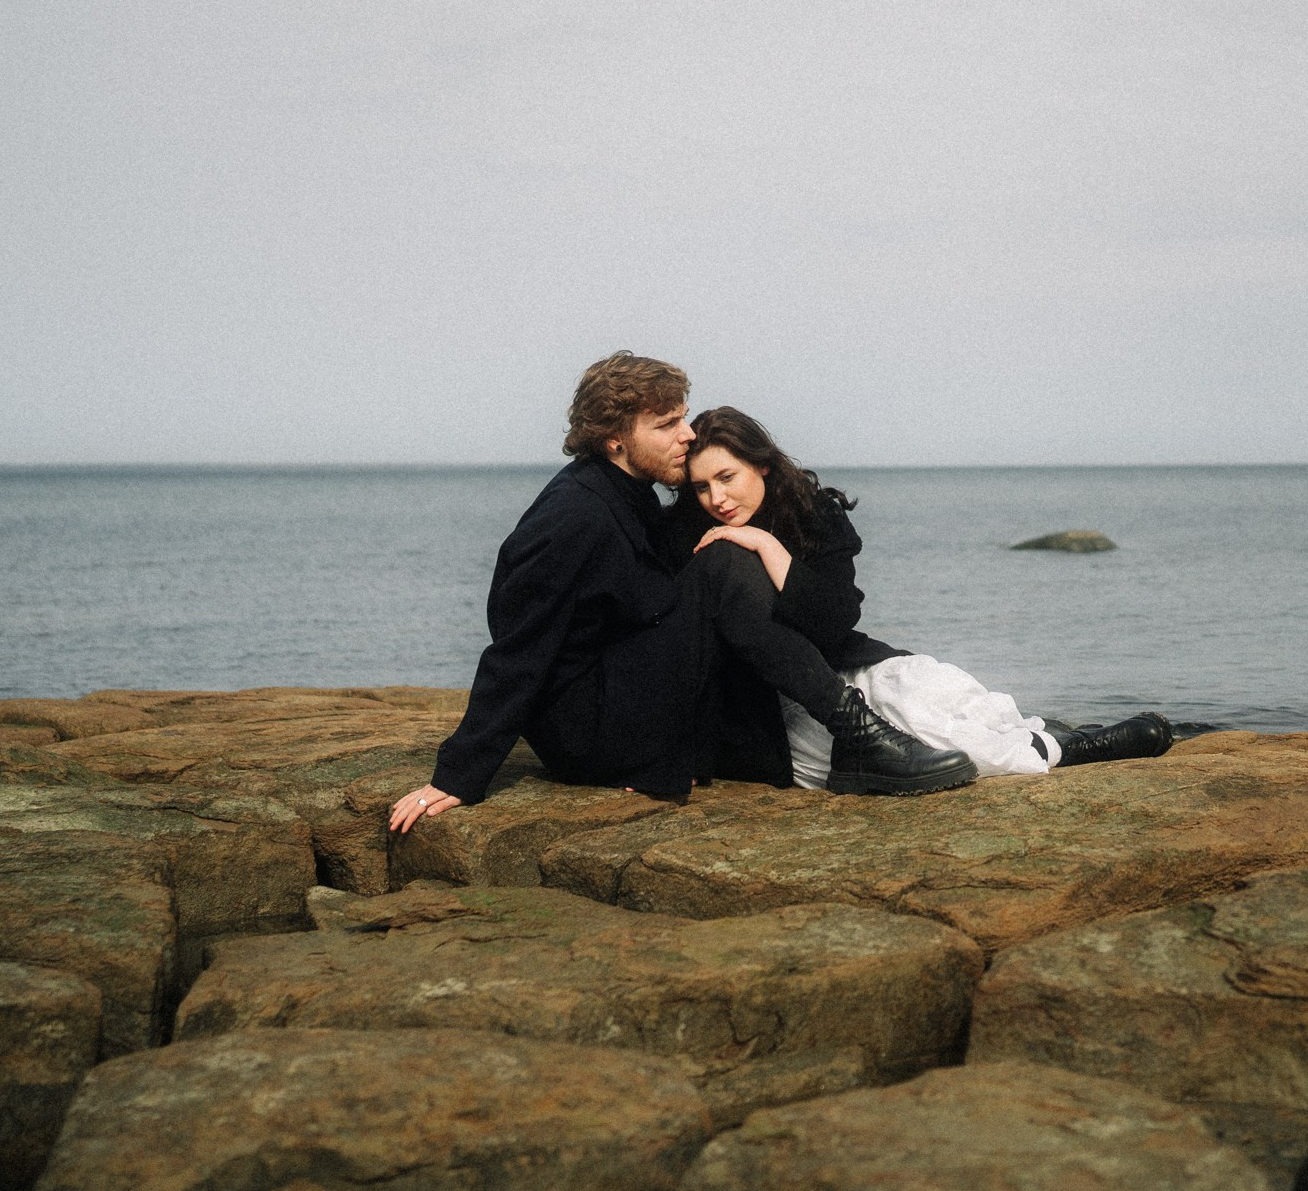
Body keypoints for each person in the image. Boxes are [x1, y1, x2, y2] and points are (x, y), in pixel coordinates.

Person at [390, 354, 974, 837]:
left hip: (630, 700)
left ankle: (856, 738)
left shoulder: (632, 495)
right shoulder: (573, 515)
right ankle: (858, 737)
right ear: (615, 440)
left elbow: (675, 622)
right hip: (592, 732)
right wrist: (458, 775)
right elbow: (520, 646)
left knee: (727, 564)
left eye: (683, 418)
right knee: (723, 562)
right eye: (667, 424)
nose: (687, 435)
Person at [671, 405, 1174, 790]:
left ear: (761, 465)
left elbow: (831, 622)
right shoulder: (691, 538)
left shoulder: (814, 516)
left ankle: (1046, 735)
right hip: (770, 706)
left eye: (726, 478)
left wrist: (767, 546)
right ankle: (1072, 749)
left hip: (835, 665)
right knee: (933, 741)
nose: (717, 499)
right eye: (701, 487)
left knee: (932, 690)